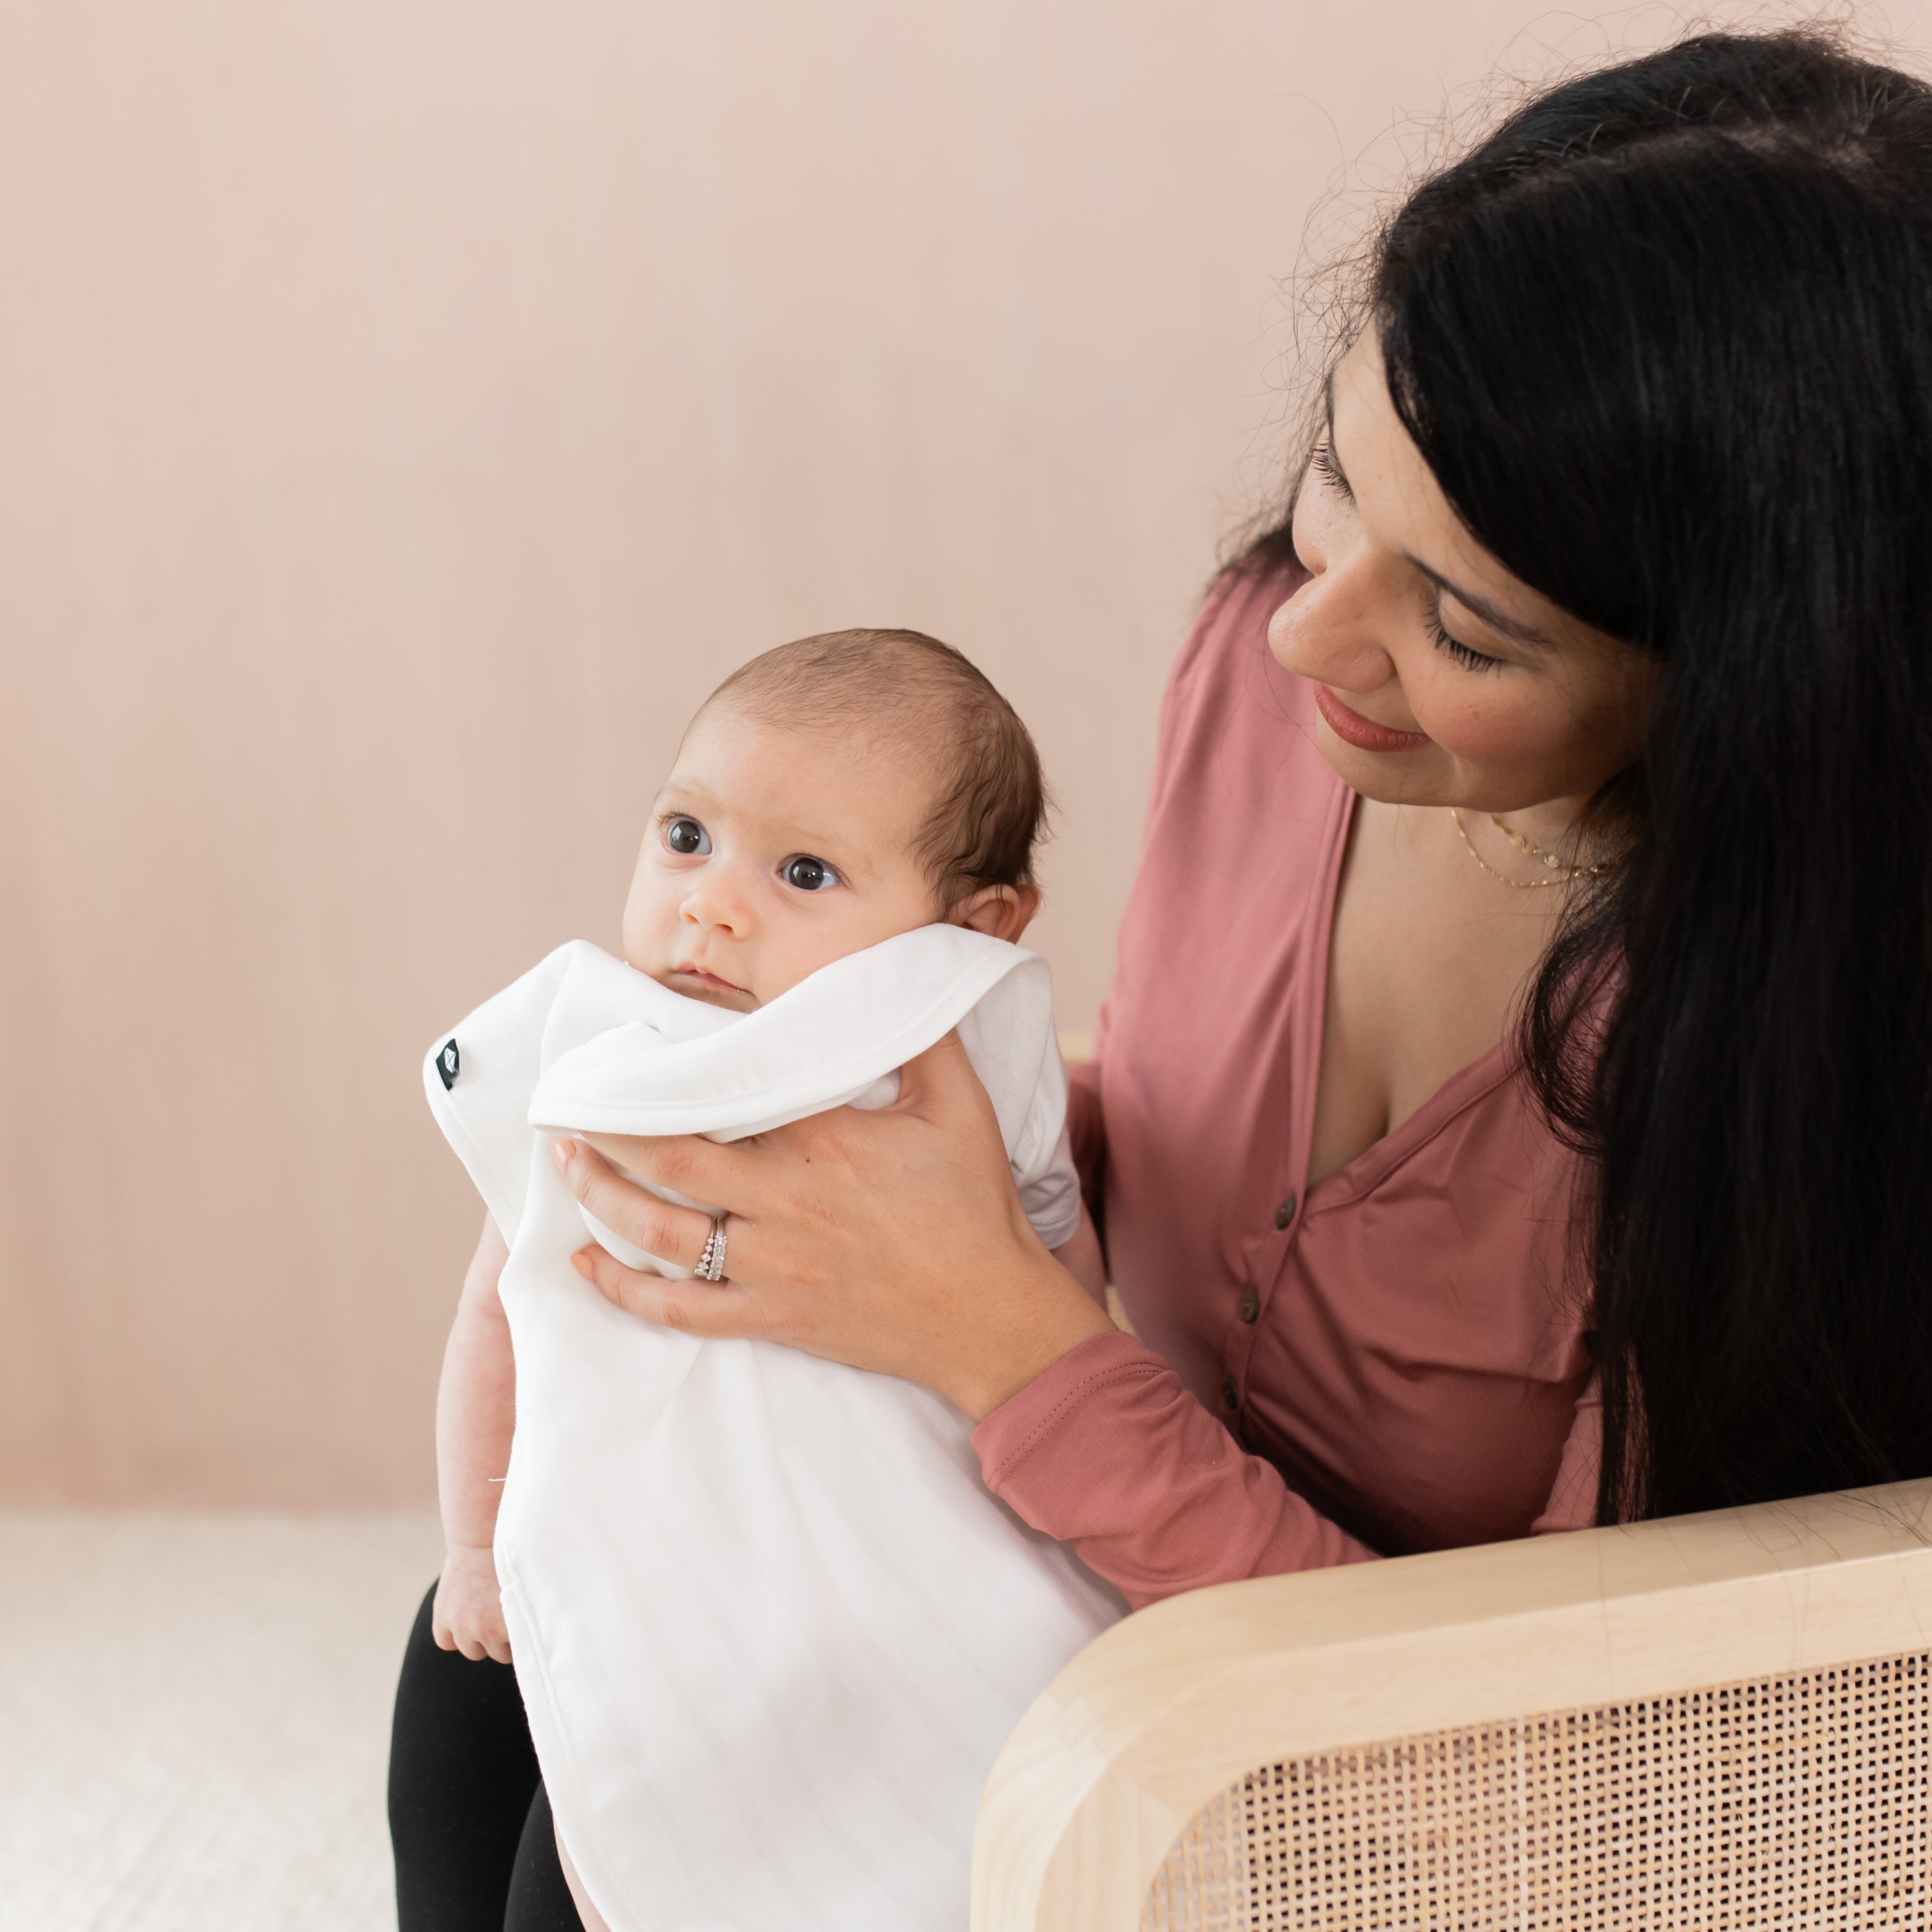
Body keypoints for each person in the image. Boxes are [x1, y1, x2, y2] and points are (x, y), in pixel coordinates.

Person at [397, 23, 1932, 1926]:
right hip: (1091, 1537)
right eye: (1338, 475)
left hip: (1384, 1783)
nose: (1303, 622)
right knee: (497, 1671)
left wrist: (1005, 1345)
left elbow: (1565, 1789)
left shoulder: (1802, 1088)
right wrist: (884, 1132)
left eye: (1458, 616)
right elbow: (1185, 1110)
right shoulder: (1275, 686)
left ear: (1751, 688)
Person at [392, 629, 1110, 1932]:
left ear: (972, 927)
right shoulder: (604, 1059)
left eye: (804, 871)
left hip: (867, 1575)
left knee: (672, 1817)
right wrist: (470, 1544)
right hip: (633, 1552)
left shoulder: (961, 1078)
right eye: (685, 836)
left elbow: (1067, 1319)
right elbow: (495, 1322)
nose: (713, 903)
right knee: (461, 1703)